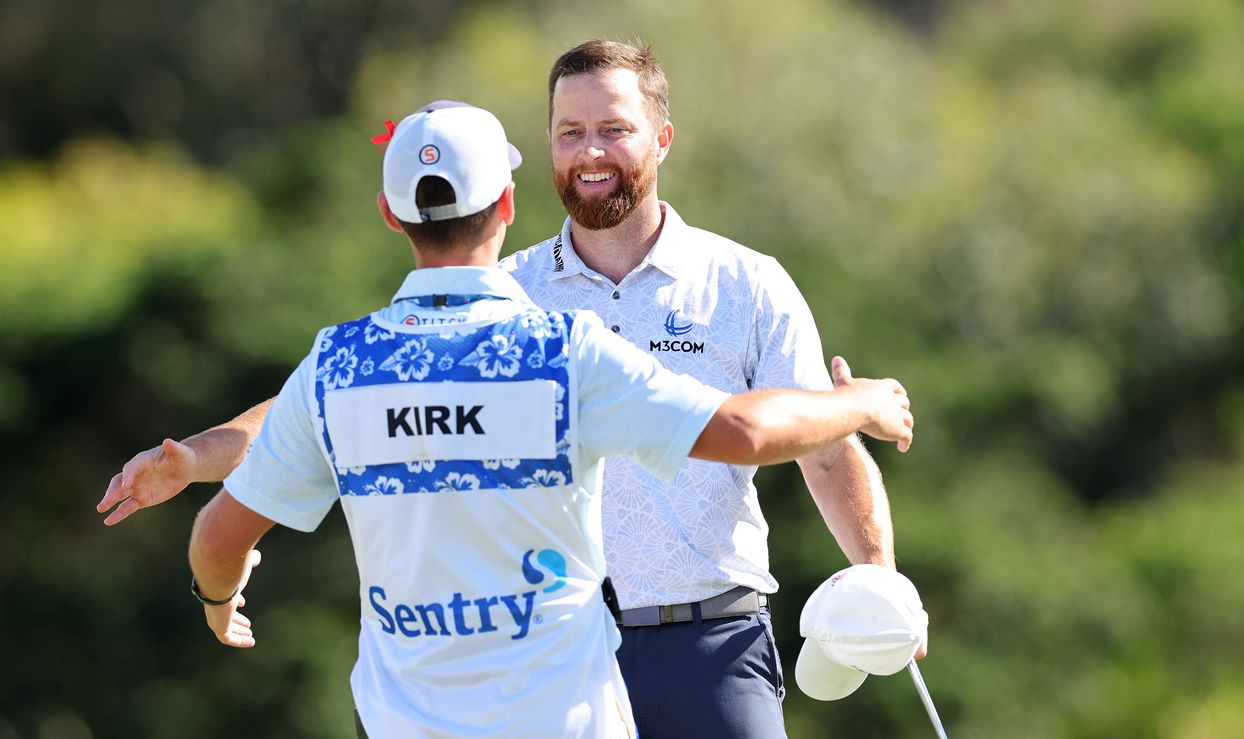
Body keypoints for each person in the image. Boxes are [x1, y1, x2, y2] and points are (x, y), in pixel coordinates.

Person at [100, 41, 918, 737]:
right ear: (524, 179)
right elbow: (315, 413)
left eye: (613, 129)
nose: (591, 150)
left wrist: (877, 581)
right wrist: (199, 456)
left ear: (662, 139)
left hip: (711, 639)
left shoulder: (748, 282)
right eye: (570, 132)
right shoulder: (519, 299)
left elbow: (819, 448)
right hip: (555, 659)